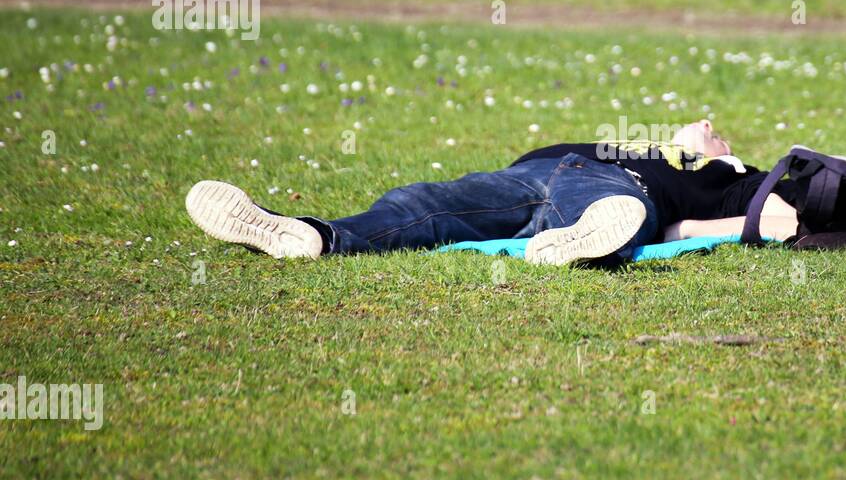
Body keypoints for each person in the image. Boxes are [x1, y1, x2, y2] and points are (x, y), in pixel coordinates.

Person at [185, 119, 799, 266]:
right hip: (536, 174)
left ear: (725, 149)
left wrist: (739, 223)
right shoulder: (640, 142)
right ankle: (312, 234)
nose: (703, 124)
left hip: (618, 190)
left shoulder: (732, 178)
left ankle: (590, 235)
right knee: (426, 204)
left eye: (713, 130)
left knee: (629, 213)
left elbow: (771, 218)